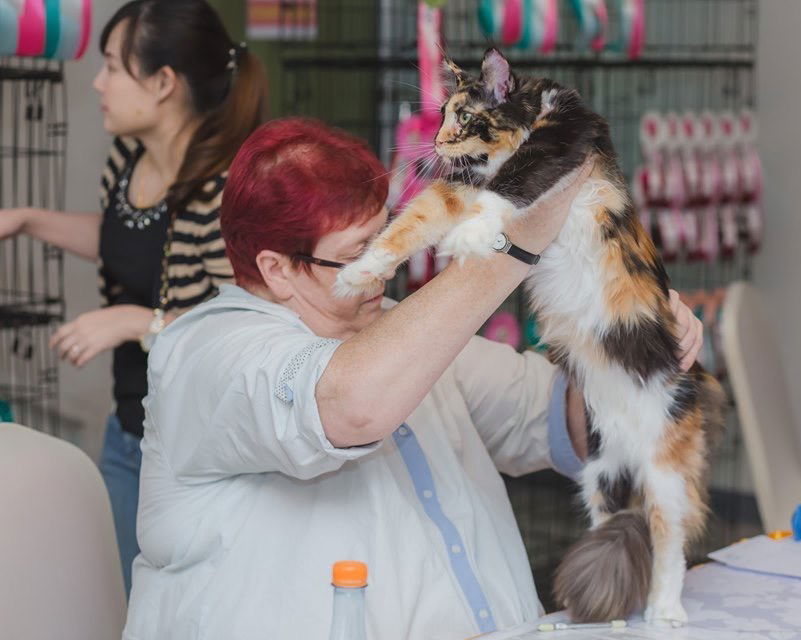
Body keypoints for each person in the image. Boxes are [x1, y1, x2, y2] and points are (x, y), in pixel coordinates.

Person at [125, 117, 703, 640]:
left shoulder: (405, 331)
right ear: (278, 270)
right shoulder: (206, 353)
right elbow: (349, 404)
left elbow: (566, 423)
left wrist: (626, 354)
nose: (387, 262)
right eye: (360, 251)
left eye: (387, 234)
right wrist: (512, 239)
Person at [0, 0, 266, 595]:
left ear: (163, 83)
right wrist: (28, 219)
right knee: (125, 601)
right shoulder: (129, 158)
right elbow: (126, 241)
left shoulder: (227, 187)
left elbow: (243, 328)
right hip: (130, 427)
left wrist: (136, 321)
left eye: (113, 68)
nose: (98, 83)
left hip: (200, 450)